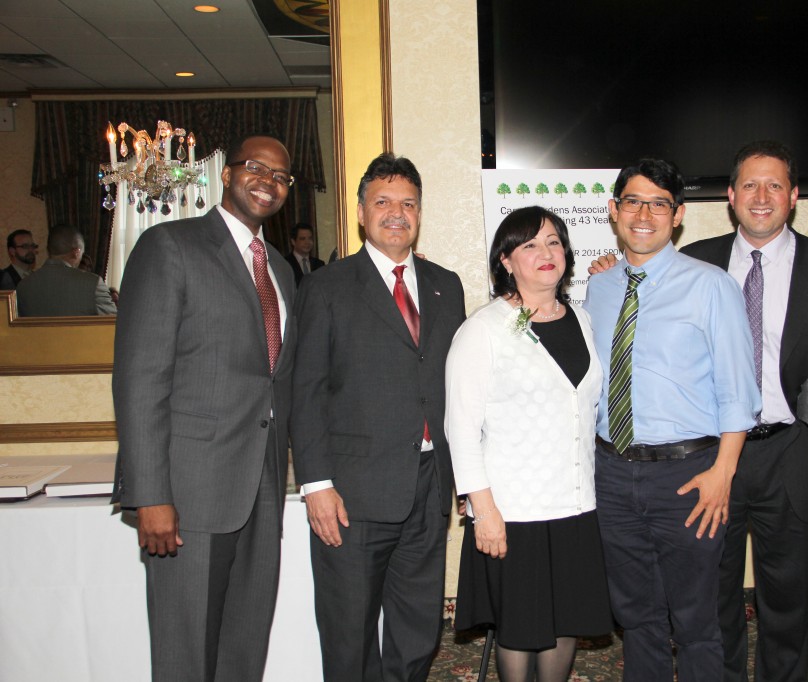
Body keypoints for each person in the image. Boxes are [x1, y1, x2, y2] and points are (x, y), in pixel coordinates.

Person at [111, 134, 297, 681]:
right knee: (185, 652)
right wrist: (151, 495)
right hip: (188, 497)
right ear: (226, 173)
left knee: (244, 648)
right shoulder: (170, 246)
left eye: (281, 176)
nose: (267, 182)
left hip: (261, 492)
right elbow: (141, 378)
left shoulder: (282, 271)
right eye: (255, 168)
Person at [681, 141, 808, 682]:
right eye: (751, 186)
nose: (762, 197)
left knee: (788, 597)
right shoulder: (692, 265)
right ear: (731, 196)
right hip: (711, 454)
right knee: (711, 594)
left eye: (775, 185)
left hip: (791, 452)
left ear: (794, 197)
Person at [290, 152, 466, 681]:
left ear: (419, 213)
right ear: (361, 213)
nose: (397, 213)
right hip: (352, 494)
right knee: (350, 632)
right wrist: (316, 484)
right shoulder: (326, 287)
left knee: (417, 629)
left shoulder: (446, 285)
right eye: (383, 202)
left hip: (430, 487)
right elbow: (307, 390)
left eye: (408, 203)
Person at [583, 157, 761, 681]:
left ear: (677, 215)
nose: (644, 214)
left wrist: (722, 474)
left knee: (697, 622)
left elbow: (739, 393)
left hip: (688, 477)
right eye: (633, 201)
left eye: (658, 203)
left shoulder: (711, 287)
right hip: (612, 475)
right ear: (614, 211)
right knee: (636, 617)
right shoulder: (601, 286)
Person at [445, 206, 612, 682]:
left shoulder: (580, 319)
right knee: (520, 633)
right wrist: (484, 511)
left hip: (575, 506)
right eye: (531, 245)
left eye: (555, 242)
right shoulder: (483, 330)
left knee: (564, 626)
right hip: (513, 514)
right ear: (506, 261)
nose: (546, 253)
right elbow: (461, 427)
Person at [15, 225, 116, 316]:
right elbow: (113, 324)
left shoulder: (23, 286)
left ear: (48, 249)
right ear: (76, 252)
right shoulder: (93, 283)